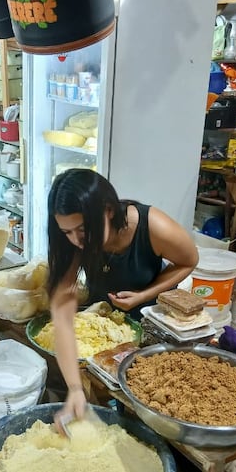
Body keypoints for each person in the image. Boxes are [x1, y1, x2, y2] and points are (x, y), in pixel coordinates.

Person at [47, 169, 198, 426]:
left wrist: (143, 295)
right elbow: (62, 312)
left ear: (108, 211)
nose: (76, 240)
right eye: (66, 232)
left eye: (82, 230)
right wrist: (74, 388)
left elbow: (189, 260)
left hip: (147, 332)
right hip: (104, 326)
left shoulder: (152, 226)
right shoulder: (74, 242)